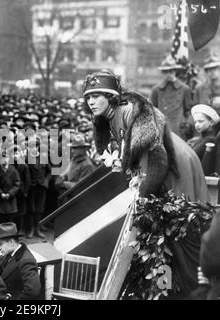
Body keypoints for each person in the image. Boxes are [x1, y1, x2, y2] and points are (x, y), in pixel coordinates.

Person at [83, 69, 208, 298]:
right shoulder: (111, 116)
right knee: (156, 239)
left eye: (97, 95)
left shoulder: (132, 112)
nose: (91, 101)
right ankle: (164, 289)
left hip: (173, 167)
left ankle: (185, 291)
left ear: (111, 96)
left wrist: (143, 193)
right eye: (88, 97)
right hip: (155, 169)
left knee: (174, 235)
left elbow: (157, 157)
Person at [0, 222, 41, 300]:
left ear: (11, 242)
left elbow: (33, 290)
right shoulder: (12, 252)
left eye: (0, 244)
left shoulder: (26, 261)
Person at [150, 56, 193, 136]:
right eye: (166, 72)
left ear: (175, 71)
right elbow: (151, 110)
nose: (169, 74)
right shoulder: (156, 90)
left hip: (178, 129)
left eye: (171, 71)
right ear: (163, 72)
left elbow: (188, 110)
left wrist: (186, 126)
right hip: (161, 129)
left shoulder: (184, 89)